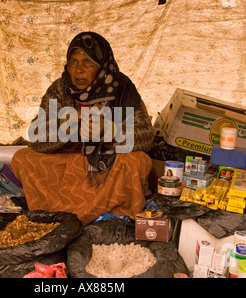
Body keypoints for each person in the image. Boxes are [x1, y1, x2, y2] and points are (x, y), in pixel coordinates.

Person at [11, 31, 154, 225]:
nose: (79, 69)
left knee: (136, 161)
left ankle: (113, 215)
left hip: (106, 163)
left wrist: (109, 132)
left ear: (102, 66)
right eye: (73, 62)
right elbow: (36, 136)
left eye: (87, 62)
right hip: (67, 161)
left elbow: (146, 136)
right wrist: (69, 124)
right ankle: (58, 215)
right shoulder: (60, 89)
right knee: (22, 157)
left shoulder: (122, 88)